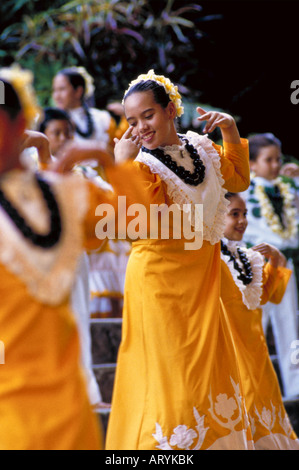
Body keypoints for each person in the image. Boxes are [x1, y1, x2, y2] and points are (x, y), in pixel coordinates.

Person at [0, 67, 146, 450]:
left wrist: (114, 162)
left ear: (20, 126)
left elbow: (137, 225)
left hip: (68, 413)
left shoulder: (61, 193)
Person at [105, 69, 252, 450]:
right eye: (133, 121)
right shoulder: (141, 165)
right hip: (160, 282)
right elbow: (136, 223)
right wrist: (122, 168)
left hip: (202, 277)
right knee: (172, 376)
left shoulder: (201, 148)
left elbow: (235, 180)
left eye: (148, 115)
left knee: (207, 372)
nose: (140, 128)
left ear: (171, 110)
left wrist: (231, 131)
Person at [220, 192, 299, 449]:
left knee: (262, 396)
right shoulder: (209, 259)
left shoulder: (247, 257)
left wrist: (276, 258)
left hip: (255, 347)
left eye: (244, 214)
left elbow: (269, 295)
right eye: (235, 214)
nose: (242, 220)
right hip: (227, 345)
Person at [52, 67, 131, 319]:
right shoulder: (51, 121)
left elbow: (120, 149)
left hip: (101, 190)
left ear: (78, 90)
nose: (57, 95)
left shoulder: (100, 119)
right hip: (71, 190)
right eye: (55, 90)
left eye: (62, 88)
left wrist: (126, 119)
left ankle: (113, 314)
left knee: (114, 242)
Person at [242, 133, 299, 398]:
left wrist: (295, 177)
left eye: (278, 159)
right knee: (256, 324)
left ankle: (295, 386)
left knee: (289, 322)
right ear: (252, 163)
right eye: (268, 160)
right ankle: (250, 387)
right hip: (258, 263)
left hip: (283, 262)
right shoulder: (245, 189)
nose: (275, 165)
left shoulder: (289, 188)